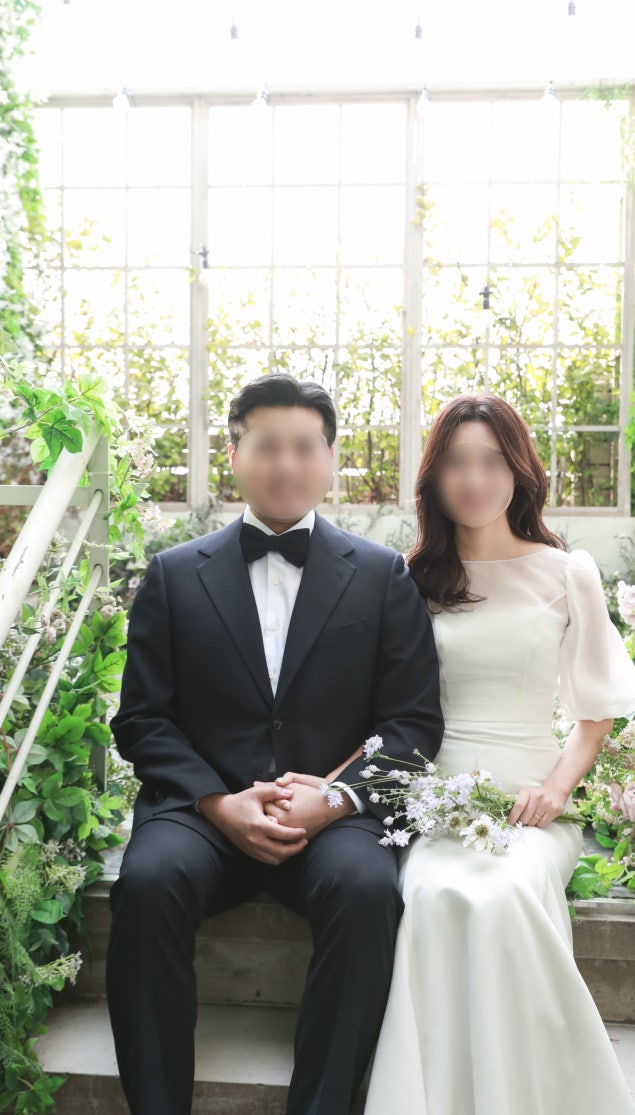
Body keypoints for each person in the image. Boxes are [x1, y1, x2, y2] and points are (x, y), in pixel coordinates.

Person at [105, 372, 444, 1115]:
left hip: (333, 817)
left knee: (367, 892)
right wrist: (217, 801)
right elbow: (142, 719)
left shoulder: (383, 577)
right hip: (202, 813)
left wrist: (337, 797)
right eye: (266, 446)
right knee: (146, 883)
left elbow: (413, 724)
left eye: (303, 446)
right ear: (234, 455)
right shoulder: (173, 575)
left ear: (329, 458)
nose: (286, 464)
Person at [359, 393, 635, 1114]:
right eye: (456, 462)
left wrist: (554, 790)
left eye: (491, 461)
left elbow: (595, 713)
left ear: (519, 471)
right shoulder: (409, 578)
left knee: (507, 892)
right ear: (434, 478)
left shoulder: (567, 572)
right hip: (436, 803)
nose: (474, 479)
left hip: (533, 803)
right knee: (433, 894)